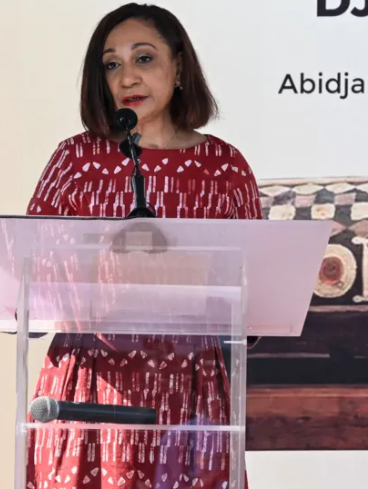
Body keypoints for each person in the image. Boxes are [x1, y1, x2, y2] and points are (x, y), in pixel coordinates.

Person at [25, 4, 260, 488]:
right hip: (88, 388)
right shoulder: (75, 160)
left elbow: (253, 294)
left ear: (179, 67)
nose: (127, 77)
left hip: (190, 392)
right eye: (112, 64)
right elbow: (30, 274)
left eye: (144, 58)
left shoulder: (224, 167)